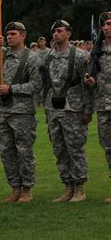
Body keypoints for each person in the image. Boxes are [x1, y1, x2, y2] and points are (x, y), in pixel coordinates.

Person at [0, 22, 42, 203]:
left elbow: (36, 85)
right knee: (6, 152)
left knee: (24, 152)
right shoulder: (1, 54)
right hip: (2, 112)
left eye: (13, 34)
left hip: (22, 113)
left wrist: (12, 88)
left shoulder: (32, 58)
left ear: (23, 35)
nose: (10, 37)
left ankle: (27, 189)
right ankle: (15, 188)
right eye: (8, 34)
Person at [43, 20, 93, 202]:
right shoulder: (48, 56)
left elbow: (86, 85)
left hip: (73, 109)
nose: (56, 34)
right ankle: (67, 186)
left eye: (59, 31)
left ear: (69, 34)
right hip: (53, 108)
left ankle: (79, 188)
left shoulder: (81, 56)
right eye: (54, 31)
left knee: (75, 149)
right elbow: (46, 83)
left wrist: (88, 110)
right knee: (59, 149)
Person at [84, 11, 111, 204]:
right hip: (103, 105)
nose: (107, 28)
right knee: (108, 148)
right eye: (105, 25)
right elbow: (96, 79)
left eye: (110, 23)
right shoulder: (97, 50)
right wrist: (91, 81)